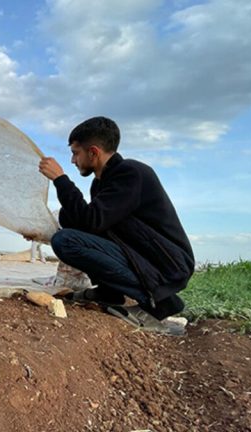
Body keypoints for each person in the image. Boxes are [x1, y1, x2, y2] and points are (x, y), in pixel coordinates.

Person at [37, 116, 194, 335]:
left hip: (163, 264)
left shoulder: (131, 174)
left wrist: (60, 180)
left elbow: (92, 221)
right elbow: (91, 223)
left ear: (93, 152)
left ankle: (163, 301)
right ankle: (110, 292)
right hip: (139, 255)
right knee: (68, 217)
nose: (73, 160)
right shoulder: (101, 182)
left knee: (65, 241)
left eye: (75, 153)